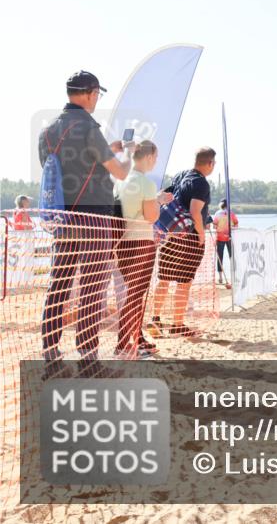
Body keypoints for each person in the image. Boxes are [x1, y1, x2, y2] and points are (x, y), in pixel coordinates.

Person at [37, 71, 135, 378]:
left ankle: (51, 358)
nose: (97, 100)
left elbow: (66, 168)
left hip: (63, 218)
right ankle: (89, 361)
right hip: (94, 218)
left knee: (59, 285)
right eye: (98, 95)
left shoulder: (48, 131)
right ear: (90, 93)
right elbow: (119, 173)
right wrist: (128, 155)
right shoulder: (89, 127)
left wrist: (110, 148)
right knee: (92, 289)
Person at [149, 147, 216, 338]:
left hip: (170, 234)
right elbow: (196, 211)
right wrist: (201, 235)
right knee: (184, 282)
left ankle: (155, 319)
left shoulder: (181, 175)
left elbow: (164, 195)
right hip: (189, 237)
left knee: (164, 278)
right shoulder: (201, 183)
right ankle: (177, 324)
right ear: (210, 164)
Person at [114, 140, 170, 357]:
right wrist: (158, 202)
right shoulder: (146, 183)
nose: (156, 161)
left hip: (123, 241)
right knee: (136, 296)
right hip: (141, 242)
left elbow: (131, 208)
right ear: (149, 156)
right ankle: (123, 344)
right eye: (156, 157)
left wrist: (154, 200)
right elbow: (151, 216)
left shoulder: (122, 179)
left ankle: (136, 338)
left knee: (131, 293)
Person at [212, 199, 239, 282]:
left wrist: (220, 227)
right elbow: (236, 224)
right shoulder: (231, 213)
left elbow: (214, 226)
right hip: (230, 237)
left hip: (220, 237)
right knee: (232, 257)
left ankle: (220, 277)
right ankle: (234, 276)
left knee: (220, 257)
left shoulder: (217, 213)